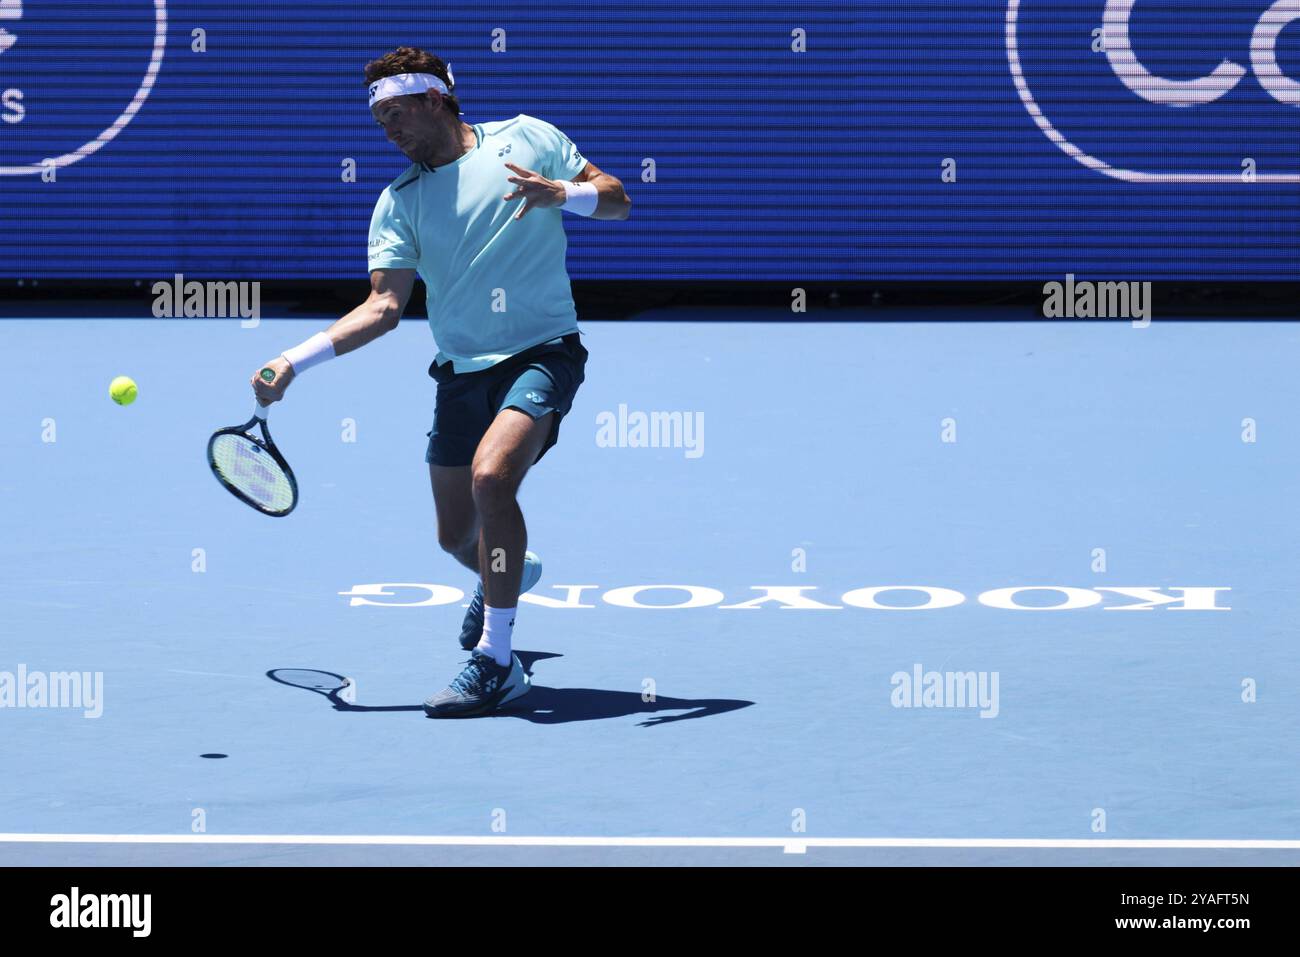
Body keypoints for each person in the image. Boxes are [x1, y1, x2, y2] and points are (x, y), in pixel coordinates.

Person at [251, 46, 631, 718]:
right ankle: (512, 573)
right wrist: (293, 360)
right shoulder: (399, 202)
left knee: (492, 480)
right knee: (458, 537)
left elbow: (618, 200)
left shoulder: (526, 137)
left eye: (397, 113)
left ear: (435, 100)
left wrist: (562, 194)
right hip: (460, 375)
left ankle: (496, 659)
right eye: (379, 120)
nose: (388, 130)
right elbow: (383, 308)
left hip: (544, 351)